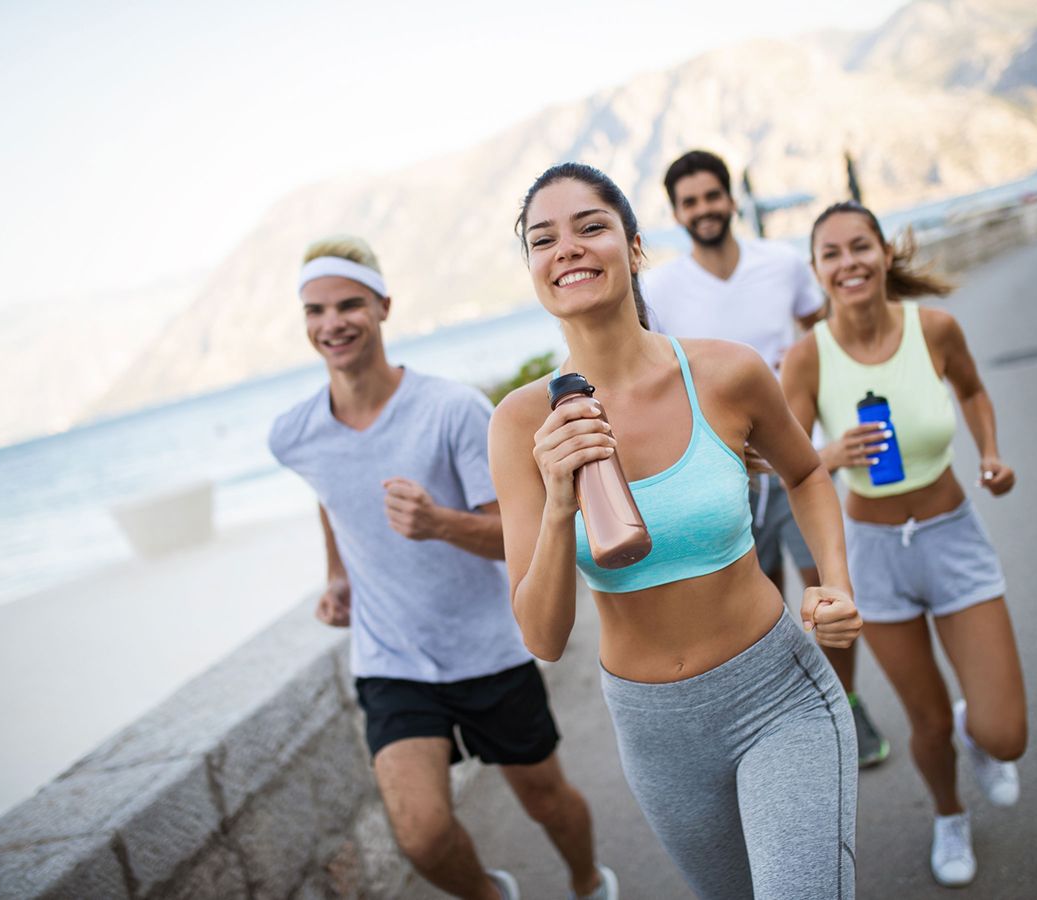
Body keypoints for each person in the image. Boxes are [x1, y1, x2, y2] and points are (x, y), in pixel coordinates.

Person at [489, 162, 861, 900]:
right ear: (532, 268)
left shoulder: (726, 374)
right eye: (542, 239)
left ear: (633, 249)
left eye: (590, 227)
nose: (566, 247)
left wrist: (835, 585)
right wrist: (561, 502)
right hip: (656, 734)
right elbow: (542, 636)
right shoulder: (520, 424)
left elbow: (807, 474)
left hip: (777, 698)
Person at [269, 234, 617, 900]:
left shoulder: (452, 411)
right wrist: (337, 575)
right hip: (391, 661)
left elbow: (516, 539)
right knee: (422, 835)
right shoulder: (294, 433)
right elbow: (330, 496)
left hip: (490, 649)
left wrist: (437, 524)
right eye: (316, 311)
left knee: (547, 802)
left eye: (349, 304)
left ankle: (587, 881)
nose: (332, 323)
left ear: (383, 308)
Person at [781, 202, 1028, 888]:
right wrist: (829, 453)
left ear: (885, 254)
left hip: (953, 536)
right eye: (831, 253)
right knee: (924, 723)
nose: (848, 262)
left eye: (860, 246)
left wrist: (993, 455)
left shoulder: (936, 329)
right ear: (816, 272)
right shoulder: (805, 360)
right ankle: (950, 815)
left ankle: (976, 730)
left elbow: (974, 392)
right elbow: (779, 459)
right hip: (875, 553)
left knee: (1006, 734)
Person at [641, 148, 890, 768]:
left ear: (731, 199)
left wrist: (827, 446)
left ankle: (849, 703)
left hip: (799, 464)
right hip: (723, 477)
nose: (703, 210)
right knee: (762, 605)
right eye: (689, 202)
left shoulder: (781, 265)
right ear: (677, 213)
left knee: (825, 589)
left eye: (711, 196)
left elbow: (821, 345)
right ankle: (787, 724)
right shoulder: (662, 288)